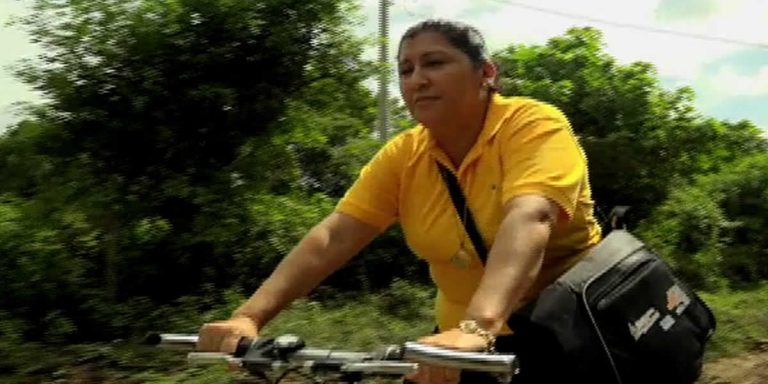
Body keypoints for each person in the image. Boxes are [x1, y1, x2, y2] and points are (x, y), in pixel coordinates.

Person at [196, 19, 603, 384]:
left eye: (435, 63)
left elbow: (531, 215)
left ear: (486, 73)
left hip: (568, 335)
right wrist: (249, 316)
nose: (417, 80)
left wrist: (478, 328)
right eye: (405, 70)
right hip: (454, 348)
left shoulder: (532, 125)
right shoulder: (404, 154)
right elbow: (335, 235)